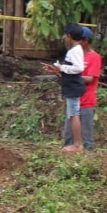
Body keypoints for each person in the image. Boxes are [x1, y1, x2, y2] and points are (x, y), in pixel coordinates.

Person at [43, 23, 86, 153]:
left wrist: (62, 68)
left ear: (69, 36)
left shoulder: (75, 50)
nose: (64, 38)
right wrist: (57, 69)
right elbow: (71, 68)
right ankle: (76, 144)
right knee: (73, 114)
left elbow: (78, 68)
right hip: (71, 85)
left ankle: (77, 145)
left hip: (73, 86)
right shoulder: (75, 50)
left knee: (74, 114)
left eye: (65, 36)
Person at [62, 26, 102, 151]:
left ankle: (88, 162)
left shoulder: (94, 57)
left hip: (87, 101)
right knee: (69, 134)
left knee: (86, 136)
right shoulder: (76, 54)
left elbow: (90, 79)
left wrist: (73, 76)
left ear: (85, 41)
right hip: (75, 97)